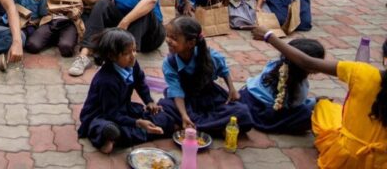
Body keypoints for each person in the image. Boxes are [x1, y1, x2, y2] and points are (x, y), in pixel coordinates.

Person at [253, 25, 387, 168]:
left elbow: (307, 62)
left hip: (344, 159)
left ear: (385, 58)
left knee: (326, 107)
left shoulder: (361, 72)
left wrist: (269, 36)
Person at [78, 29, 171, 153]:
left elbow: (140, 83)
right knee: (104, 126)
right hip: (102, 114)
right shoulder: (107, 81)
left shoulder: (132, 64)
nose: (133, 56)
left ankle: (117, 137)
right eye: (127, 53)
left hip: (122, 108)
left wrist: (149, 101)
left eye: (134, 50)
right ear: (112, 56)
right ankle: (108, 137)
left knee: (162, 118)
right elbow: (111, 114)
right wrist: (138, 123)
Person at [158, 16, 253, 136]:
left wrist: (232, 89)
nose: (168, 40)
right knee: (164, 108)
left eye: (174, 38)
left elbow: (223, 69)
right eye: (168, 35)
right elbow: (177, 93)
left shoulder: (208, 56)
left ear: (190, 43)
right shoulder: (170, 63)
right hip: (185, 100)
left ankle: (194, 127)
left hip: (210, 98)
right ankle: (213, 127)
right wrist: (184, 115)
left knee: (242, 112)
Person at [239, 38, 325, 134]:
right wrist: (314, 102)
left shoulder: (273, 65)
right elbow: (295, 106)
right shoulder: (299, 86)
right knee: (305, 115)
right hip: (264, 114)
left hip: (246, 99)